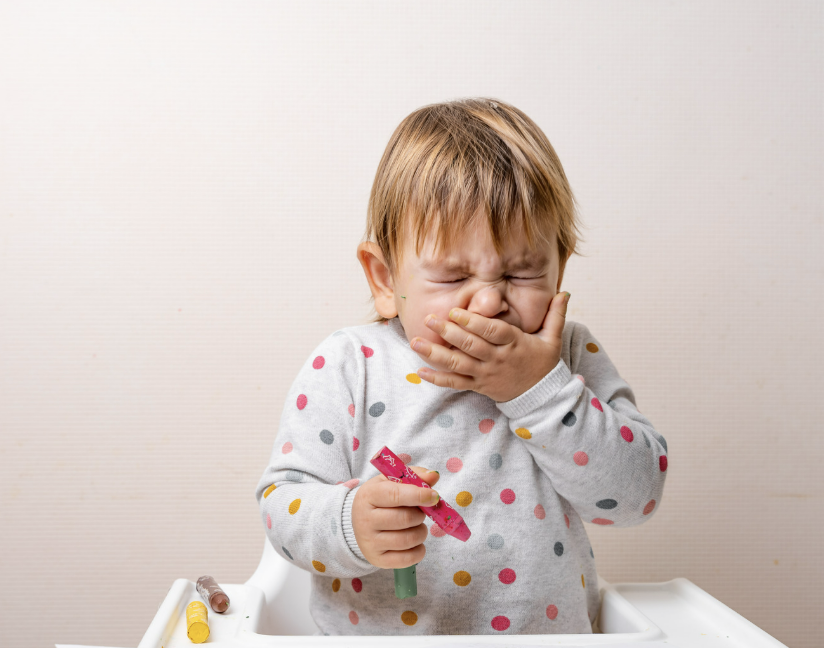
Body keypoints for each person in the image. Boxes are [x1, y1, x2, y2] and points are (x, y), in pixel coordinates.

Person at [255, 98, 668, 635]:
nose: (488, 303)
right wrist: (350, 524)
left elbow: (637, 497)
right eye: (452, 279)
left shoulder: (566, 356)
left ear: (558, 267)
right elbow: (283, 506)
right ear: (385, 280)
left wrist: (540, 391)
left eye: (522, 273)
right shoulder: (349, 364)